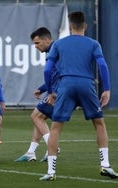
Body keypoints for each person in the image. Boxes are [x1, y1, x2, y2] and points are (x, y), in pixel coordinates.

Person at [40, 11, 118, 181]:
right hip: (86, 84)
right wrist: (107, 89)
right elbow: (102, 65)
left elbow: (47, 69)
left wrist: (51, 92)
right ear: (85, 26)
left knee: (55, 127)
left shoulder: (59, 44)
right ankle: (105, 165)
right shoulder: (93, 43)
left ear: (69, 26)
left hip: (66, 85)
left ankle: (51, 172)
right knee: (99, 123)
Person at [15, 27, 60, 162]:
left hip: (58, 93)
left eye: (37, 43)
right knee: (39, 118)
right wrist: (41, 89)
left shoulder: (54, 50)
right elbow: (55, 75)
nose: (35, 47)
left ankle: (53, 146)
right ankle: (31, 153)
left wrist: (51, 93)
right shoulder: (54, 50)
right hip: (57, 90)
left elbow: (54, 75)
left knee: (35, 116)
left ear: (46, 39)